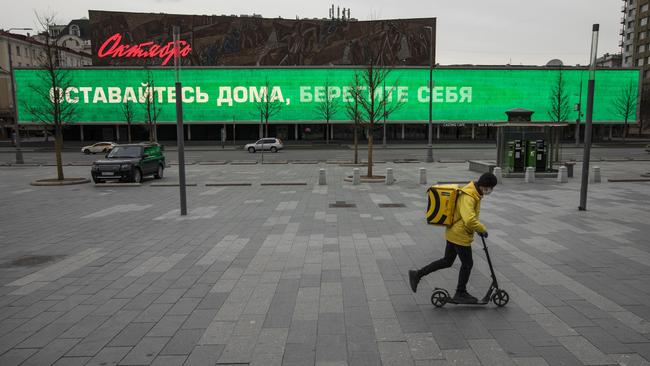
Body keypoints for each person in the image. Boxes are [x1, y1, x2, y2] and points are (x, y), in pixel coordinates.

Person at [408, 172, 498, 303]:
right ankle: (461, 292)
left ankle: (417, 274)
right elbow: (469, 219)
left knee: (447, 261)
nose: (491, 190)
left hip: (453, 232)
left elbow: (467, 218)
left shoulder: (473, 192)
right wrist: (481, 229)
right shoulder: (470, 196)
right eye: (491, 188)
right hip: (459, 235)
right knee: (467, 264)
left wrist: (476, 228)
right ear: (485, 186)